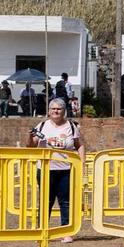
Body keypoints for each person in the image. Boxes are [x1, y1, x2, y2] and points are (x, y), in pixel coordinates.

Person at [28, 97, 84, 234]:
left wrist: (81, 164)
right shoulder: (41, 126)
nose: (56, 111)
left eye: (59, 109)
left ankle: (66, 232)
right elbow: (30, 145)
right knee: (46, 201)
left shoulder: (71, 126)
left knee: (66, 202)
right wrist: (30, 137)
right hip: (46, 169)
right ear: (49, 111)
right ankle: (42, 230)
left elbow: (79, 145)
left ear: (64, 111)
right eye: (53, 109)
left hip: (66, 169)